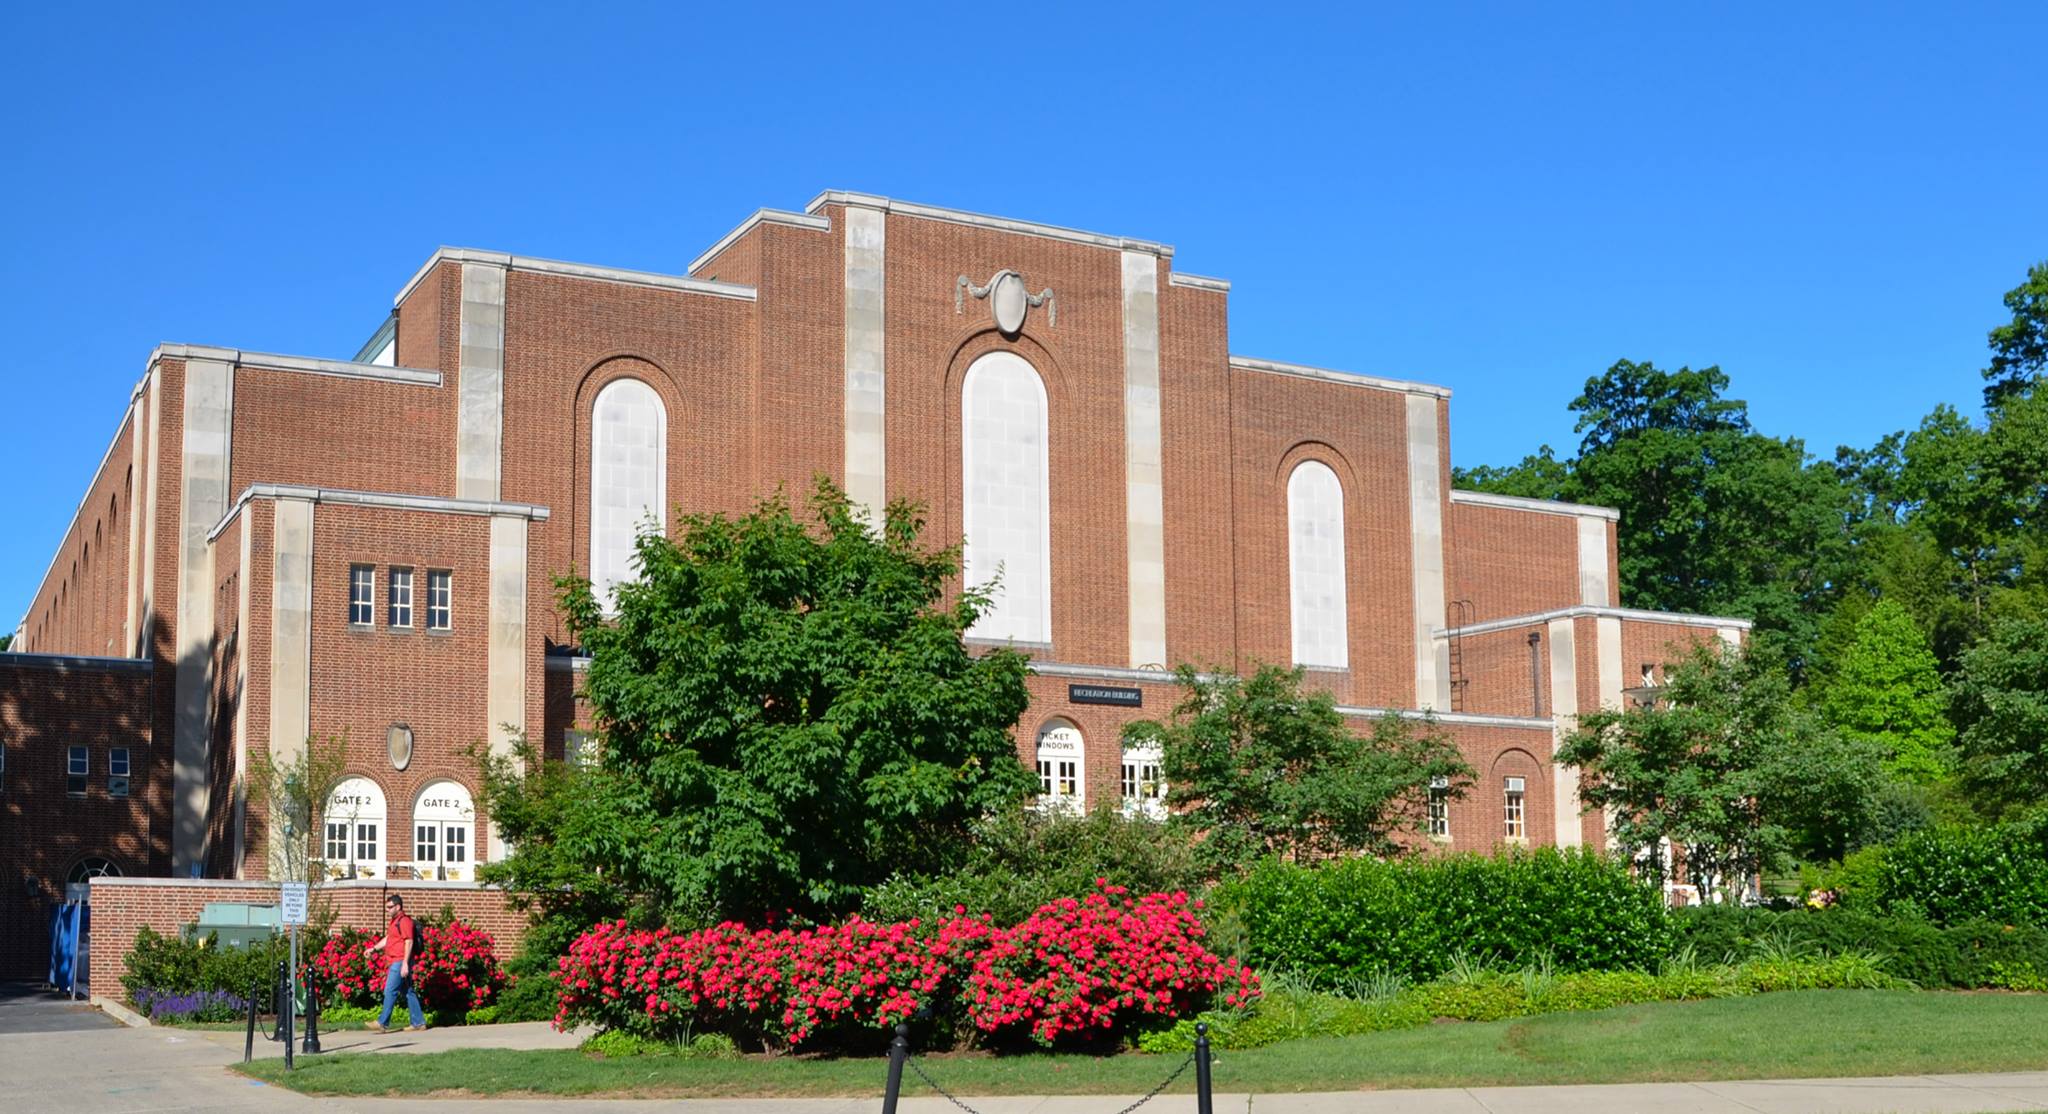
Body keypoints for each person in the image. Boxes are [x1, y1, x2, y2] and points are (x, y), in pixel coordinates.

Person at [363, 893, 425, 1032]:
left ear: (398, 906)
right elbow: (389, 939)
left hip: (400, 961)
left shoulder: (404, 921)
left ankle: (382, 1022)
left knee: (390, 990)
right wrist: (373, 949)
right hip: (396, 960)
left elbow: (409, 941)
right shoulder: (395, 922)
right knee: (408, 991)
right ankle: (419, 1022)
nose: (388, 910)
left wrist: (405, 963)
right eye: (387, 907)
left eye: (390, 907)